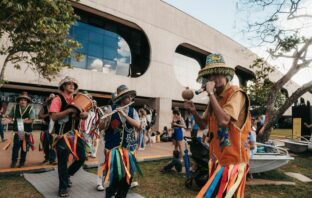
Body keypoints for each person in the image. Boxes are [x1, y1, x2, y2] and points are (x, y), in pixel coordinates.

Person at [184, 53, 251, 198]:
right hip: (217, 160)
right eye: (210, 75)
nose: (213, 78)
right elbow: (203, 125)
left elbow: (224, 121)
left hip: (233, 163)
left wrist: (211, 94)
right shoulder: (212, 99)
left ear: (225, 75)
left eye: (217, 73)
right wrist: (193, 111)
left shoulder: (236, 94)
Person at [98, 85, 142, 198]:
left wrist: (124, 115)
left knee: (128, 177)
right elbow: (101, 127)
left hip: (128, 150)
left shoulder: (133, 111)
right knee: (116, 176)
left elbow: (138, 125)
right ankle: (109, 194)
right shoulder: (110, 109)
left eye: (131, 96)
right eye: (128, 96)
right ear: (122, 98)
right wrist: (102, 119)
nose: (130, 98)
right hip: (113, 150)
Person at [49, 76, 88, 197]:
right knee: (62, 162)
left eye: (74, 85)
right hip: (61, 136)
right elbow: (54, 117)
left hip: (75, 135)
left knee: (82, 157)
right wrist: (69, 111)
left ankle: (68, 175)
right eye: (69, 84)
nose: (72, 86)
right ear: (64, 86)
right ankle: (63, 188)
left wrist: (84, 115)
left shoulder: (77, 100)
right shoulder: (57, 99)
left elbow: (80, 116)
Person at [2, 92, 35, 168]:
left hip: (26, 132)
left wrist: (25, 121)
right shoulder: (15, 107)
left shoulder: (31, 108)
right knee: (15, 147)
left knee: (24, 148)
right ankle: (14, 162)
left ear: (27, 101)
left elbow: (32, 120)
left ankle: (22, 162)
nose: (22, 101)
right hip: (17, 131)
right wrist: (8, 120)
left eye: (24, 100)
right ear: (19, 101)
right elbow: (10, 117)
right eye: (21, 100)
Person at [38, 93, 56, 164]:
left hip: (54, 128)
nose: (52, 101)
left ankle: (52, 159)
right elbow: (39, 116)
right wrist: (48, 114)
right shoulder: (45, 107)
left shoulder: (58, 107)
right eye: (51, 99)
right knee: (45, 144)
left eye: (53, 100)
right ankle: (47, 158)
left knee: (53, 144)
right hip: (45, 127)